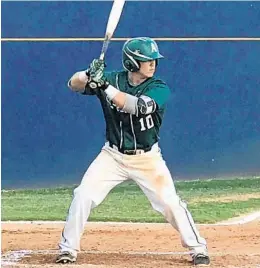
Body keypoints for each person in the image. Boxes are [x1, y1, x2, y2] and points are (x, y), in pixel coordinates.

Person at [56, 37, 210, 266]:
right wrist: (87, 74)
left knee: (169, 203)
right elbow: (73, 85)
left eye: (153, 60)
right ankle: (67, 249)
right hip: (113, 156)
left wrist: (104, 87)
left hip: (147, 158)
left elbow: (137, 107)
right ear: (131, 62)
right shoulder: (112, 78)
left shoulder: (158, 87)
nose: (153, 64)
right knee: (83, 195)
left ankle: (198, 248)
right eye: (146, 60)